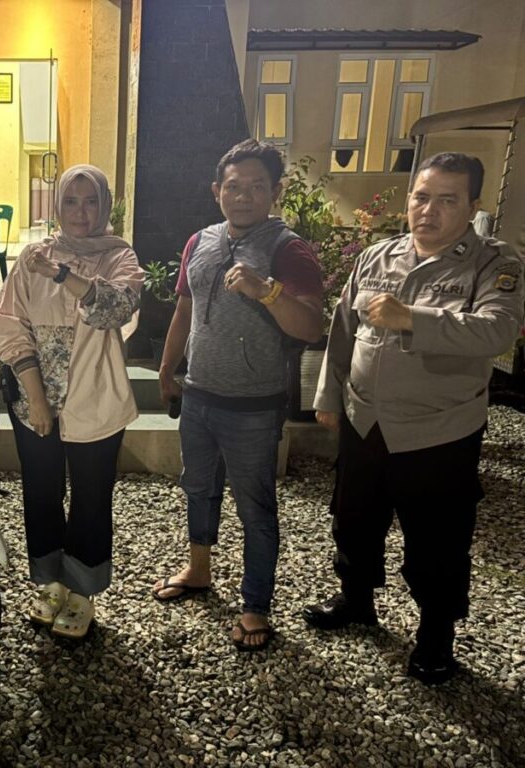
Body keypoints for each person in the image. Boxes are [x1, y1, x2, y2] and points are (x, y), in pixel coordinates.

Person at [303, 153, 525, 684]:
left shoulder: (493, 262)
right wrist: (328, 395)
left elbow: (497, 330)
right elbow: (343, 330)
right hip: (364, 420)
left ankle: (435, 637)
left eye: (448, 200)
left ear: (472, 206)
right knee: (353, 519)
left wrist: (412, 318)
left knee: (436, 540)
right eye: (422, 197)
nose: (429, 210)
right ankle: (357, 601)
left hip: (438, 430)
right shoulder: (379, 256)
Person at [151, 139, 324, 652]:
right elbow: (184, 309)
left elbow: (311, 327)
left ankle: (255, 605)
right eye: (233, 186)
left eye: (256, 187)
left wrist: (267, 290)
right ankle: (199, 570)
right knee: (198, 488)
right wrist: (167, 367)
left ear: (275, 191)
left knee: (255, 506)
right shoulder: (199, 241)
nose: (243, 196)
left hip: (253, 405)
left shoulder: (289, 249)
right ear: (216, 190)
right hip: (199, 394)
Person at [0, 164, 144, 639]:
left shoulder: (118, 256)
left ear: (105, 205)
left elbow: (116, 307)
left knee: (91, 495)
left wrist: (63, 274)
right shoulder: (32, 257)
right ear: (58, 206)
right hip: (34, 398)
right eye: (71, 201)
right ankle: (51, 581)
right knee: (40, 491)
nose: (81, 212)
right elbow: (10, 323)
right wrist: (36, 396)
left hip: (95, 397)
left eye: (91, 201)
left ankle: (82, 590)